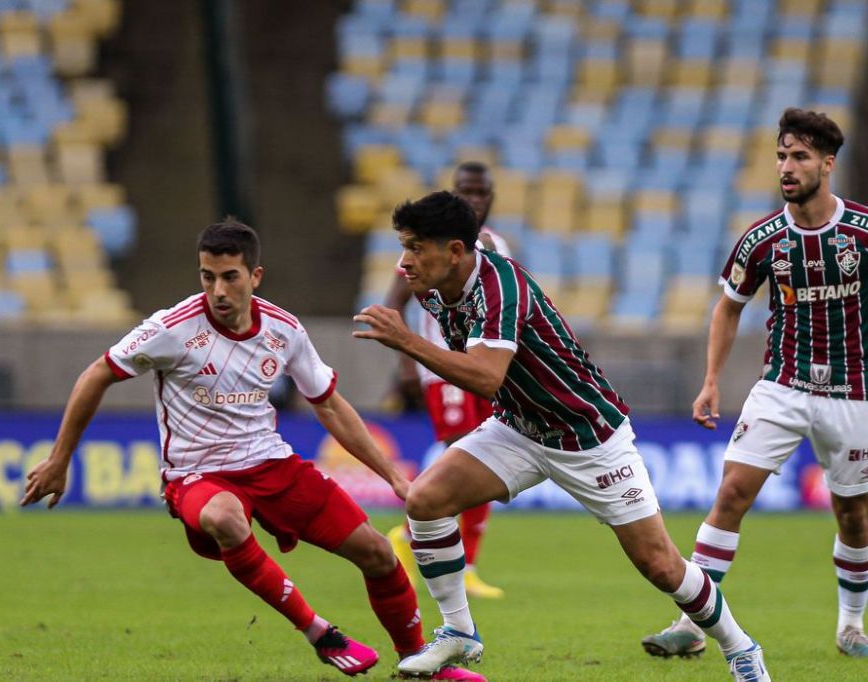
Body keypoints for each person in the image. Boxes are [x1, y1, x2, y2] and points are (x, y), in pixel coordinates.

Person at [20, 220, 485, 681]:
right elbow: (97, 374)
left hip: (271, 464)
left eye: (229, 277)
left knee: (378, 553)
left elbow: (329, 406)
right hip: (197, 475)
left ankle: (418, 667)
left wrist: (394, 477)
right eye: (207, 276)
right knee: (225, 518)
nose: (217, 290)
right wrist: (60, 459)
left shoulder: (283, 330)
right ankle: (320, 632)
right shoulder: (172, 328)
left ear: (254, 276)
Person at [353, 191, 770, 681]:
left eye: (417, 248)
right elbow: (491, 383)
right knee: (425, 500)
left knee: (660, 565)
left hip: (589, 437)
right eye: (403, 246)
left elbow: (485, 377)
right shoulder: (431, 288)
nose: (405, 261)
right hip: (519, 428)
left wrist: (407, 341)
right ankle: (459, 632)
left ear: (455, 251)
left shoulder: (500, 287)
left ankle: (742, 650)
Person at [641, 108, 868, 661]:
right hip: (781, 387)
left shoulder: (861, 231)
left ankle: (852, 626)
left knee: (855, 516)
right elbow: (727, 309)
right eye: (782, 156)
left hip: (852, 391)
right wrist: (711, 381)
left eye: (799, 157)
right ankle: (692, 625)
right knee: (732, 495)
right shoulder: (762, 240)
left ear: (827, 164)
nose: (786, 167)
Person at [385, 161, 509, 600]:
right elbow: (395, 300)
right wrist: (405, 367)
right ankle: (409, 532)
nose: (475, 199)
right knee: (463, 448)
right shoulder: (429, 250)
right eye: (466, 192)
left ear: (492, 196)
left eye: (481, 192)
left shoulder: (500, 246)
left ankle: (466, 562)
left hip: (486, 367)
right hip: (444, 369)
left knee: (486, 458)